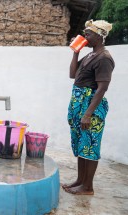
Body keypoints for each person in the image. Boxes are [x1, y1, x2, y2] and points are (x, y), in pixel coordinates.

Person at [63, 20, 115, 195]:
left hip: (91, 107)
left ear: (100, 36)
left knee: (90, 145)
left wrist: (88, 114)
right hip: (80, 105)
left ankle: (88, 187)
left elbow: (102, 88)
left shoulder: (104, 59)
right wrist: (75, 53)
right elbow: (72, 75)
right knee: (81, 143)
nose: (85, 36)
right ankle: (80, 181)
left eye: (89, 34)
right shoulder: (90, 55)